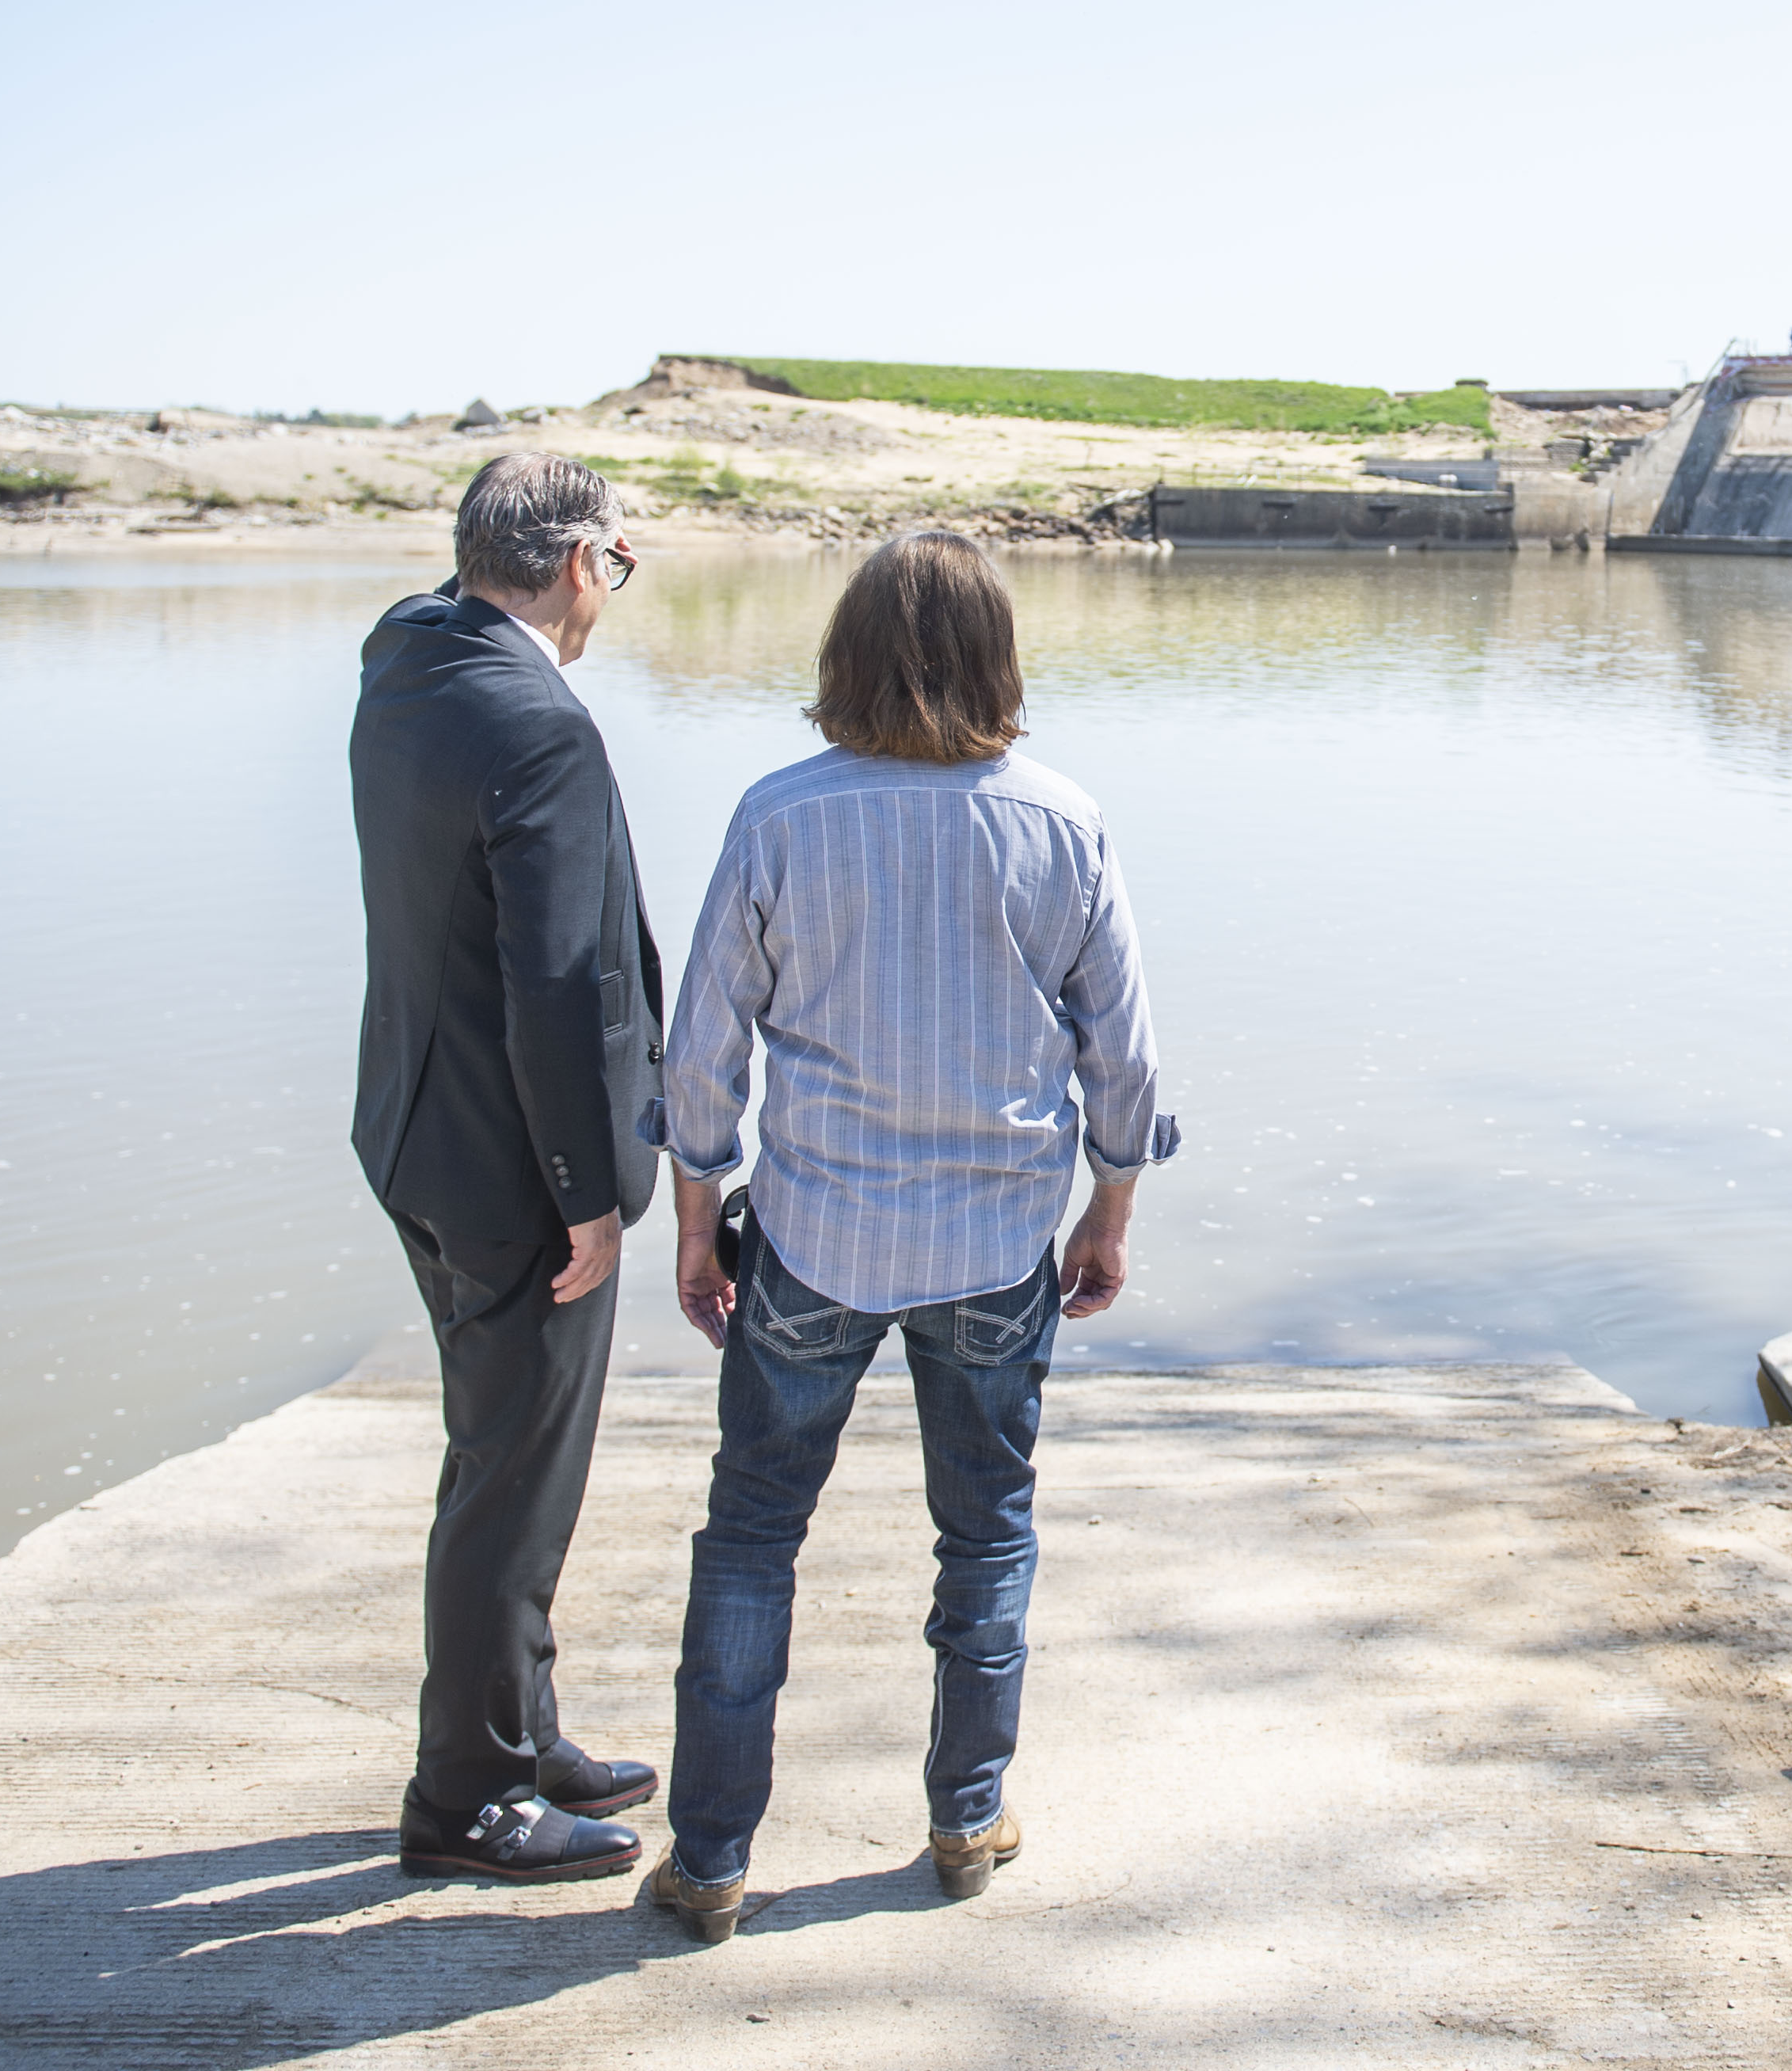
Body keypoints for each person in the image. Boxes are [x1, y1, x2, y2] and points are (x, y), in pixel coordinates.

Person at [647, 530, 1174, 1940]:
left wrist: (697, 1225)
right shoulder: (1063, 819)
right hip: (1003, 1245)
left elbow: (704, 1054)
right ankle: (964, 1815)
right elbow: (1123, 1060)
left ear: (845, 654)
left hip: (814, 1238)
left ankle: (707, 1860)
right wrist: (1110, 1213)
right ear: (1003, 657)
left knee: (753, 1541)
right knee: (986, 1537)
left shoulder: (779, 814)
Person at [349, 453, 666, 1885]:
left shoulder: (409, 659)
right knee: (513, 1480)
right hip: (512, 1174)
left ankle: (523, 1732)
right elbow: (558, 982)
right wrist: (588, 1193)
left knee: (504, 1458)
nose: (616, 593)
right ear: (584, 561)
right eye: (623, 563)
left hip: (414, 1130)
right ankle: (467, 1797)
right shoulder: (541, 728)